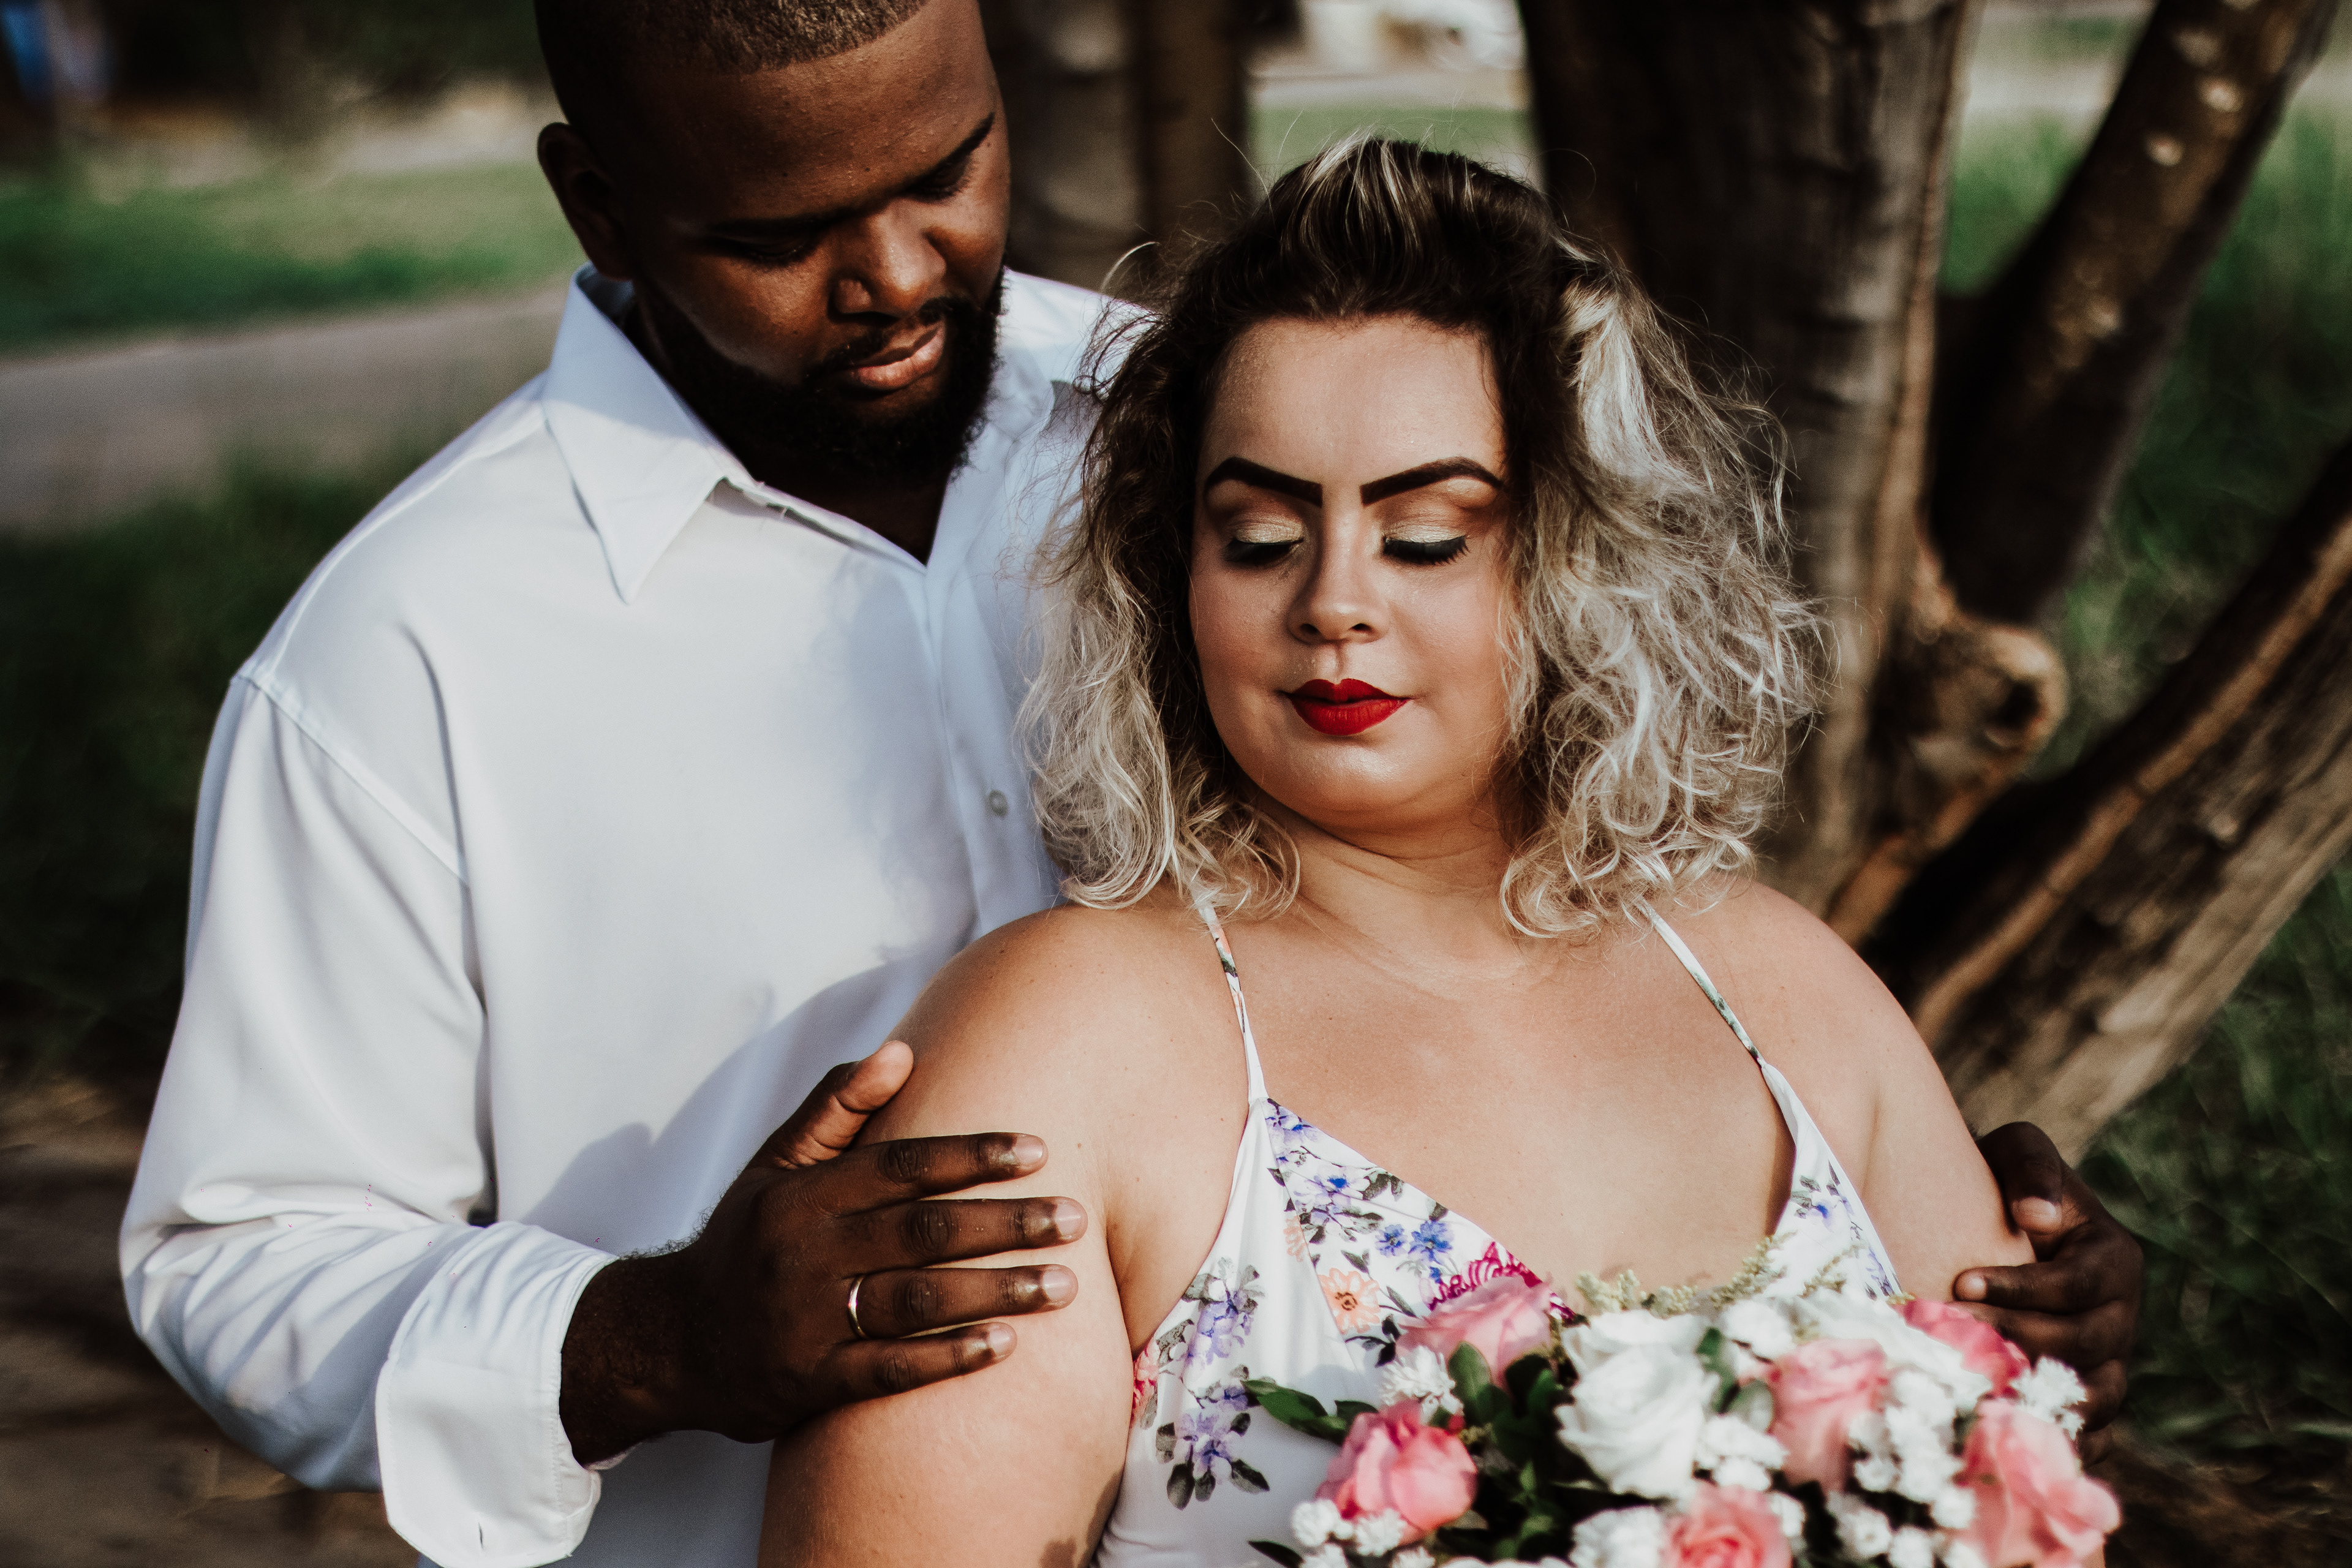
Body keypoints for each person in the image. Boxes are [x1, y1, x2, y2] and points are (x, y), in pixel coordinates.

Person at [116, 4, 2131, 1566]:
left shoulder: (1179, 420)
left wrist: (1947, 1336)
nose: (896, 273)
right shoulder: (409, 654)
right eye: (780, 234)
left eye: (948, 170)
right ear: (599, 202)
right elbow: (234, 1252)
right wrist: (651, 1338)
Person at [758, 140, 2127, 1563]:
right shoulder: (1062, 1046)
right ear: (1173, 572)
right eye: (1259, 535)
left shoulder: (1778, 985)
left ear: (1580, 557)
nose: (1332, 601)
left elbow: (2027, 1494)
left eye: (1423, 535)